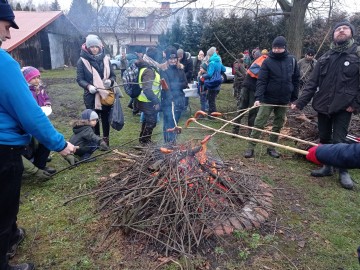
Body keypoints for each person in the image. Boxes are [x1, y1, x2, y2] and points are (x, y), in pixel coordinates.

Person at [0, 4, 76, 270]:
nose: (8, 36)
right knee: (4, 207)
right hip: (3, 149)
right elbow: (30, 114)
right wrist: (60, 144)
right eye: (7, 26)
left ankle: (11, 236)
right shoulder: (3, 63)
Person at [291, 21, 360, 190]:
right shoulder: (325, 57)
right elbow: (311, 84)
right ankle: (327, 167)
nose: (341, 31)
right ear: (334, 35)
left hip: (344, 107)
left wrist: (355, 104)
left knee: (340, 141)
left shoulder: (357, 55)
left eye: (345, 28)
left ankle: (343, 171)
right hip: (322, 105)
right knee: (324, 138)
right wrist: (299, 103)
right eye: (338, 29)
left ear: (352, 33)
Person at [244, 36, 299, 158]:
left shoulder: (292, 61)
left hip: (284, 99)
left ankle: (271, 147)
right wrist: (258, 97)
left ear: (284, 48)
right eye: (274, 48)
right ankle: (251, 147)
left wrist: (294, 98)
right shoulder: (267, 61)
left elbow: (295, 80)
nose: (276, 50)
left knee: (278, 124)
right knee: (259, 122)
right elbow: (261, 81)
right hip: (268, 99)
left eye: (279, 48)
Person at [76, 34, 116, 146]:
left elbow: (113, 75)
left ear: (100, 47)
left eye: (96, 46)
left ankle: (106, 139)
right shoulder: (82, 61)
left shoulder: (106, 59)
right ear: (87, 47)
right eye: (91, 47)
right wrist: (88, 86)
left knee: (105, 117)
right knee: (94, 119)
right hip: (91, 95)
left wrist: (110, 82)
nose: (94, 49)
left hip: (105, 94)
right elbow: (80, 79)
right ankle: (97, 140)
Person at [21, 66, 56, 175]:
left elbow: (46, 98)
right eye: (33, 78)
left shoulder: (40, 88)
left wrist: (47, 104)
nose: (36, 80)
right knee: (33, 141)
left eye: (38, 77)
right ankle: (34, 163)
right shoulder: (25, 91)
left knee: (46, 139)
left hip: (42, 116)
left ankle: (41, 163)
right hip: (30, 120)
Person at [232, 50, 269, 136]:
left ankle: (235, 130)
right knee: (252, 110)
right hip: (253, 88)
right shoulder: (266, 62)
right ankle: (249, 132)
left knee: (241, 108)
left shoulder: (258, 60)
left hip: (246, 85)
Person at [160, 46, 188, 143]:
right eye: (170, 59)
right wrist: (171, 95)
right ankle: (168, 143)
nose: (173, 61)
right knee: (168, 123)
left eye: (174, 58)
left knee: (176, 122)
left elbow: (185, 84)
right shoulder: (163, 70)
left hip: (179, 100)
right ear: (167, 59)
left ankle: (173, 142)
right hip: (168, 101)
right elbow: (166, 87)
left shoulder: (180, 69)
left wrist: (174, 85)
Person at [136, 47, 162, 145]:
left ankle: (143, 140)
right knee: (152, 122)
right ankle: (145, 142)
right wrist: (156, 101)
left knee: (147, 120)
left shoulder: (148, 66)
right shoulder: (149, 70)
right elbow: (147, 89)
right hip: (148, 101)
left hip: (145, 100)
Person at [201, 47, 226, 115]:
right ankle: (213, 114)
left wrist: (203, 76)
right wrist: (218, 72)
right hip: (218, 83)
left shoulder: (212, 63)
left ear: (210, 55)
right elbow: (224, 69)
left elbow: (209, 74)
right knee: (212, 99)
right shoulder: (218, 61)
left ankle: (211, 115)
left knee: (211, 100)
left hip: (212, 83)